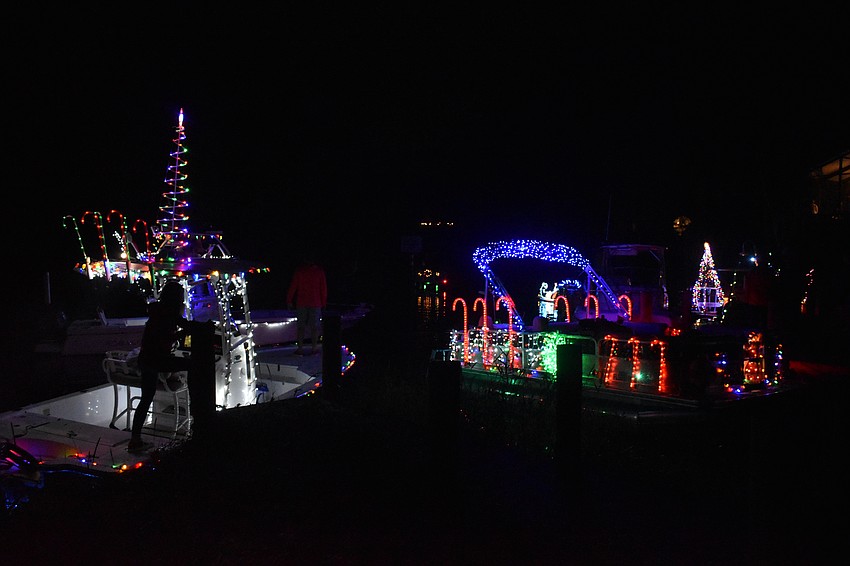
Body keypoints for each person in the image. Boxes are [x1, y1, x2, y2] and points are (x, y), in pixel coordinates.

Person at [128, 280, 204, 452]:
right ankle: (195, 406)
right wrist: (190, 330)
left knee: (146, 398)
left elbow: (163, 335)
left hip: (146, 359)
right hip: (156, 359)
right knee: (192, 365)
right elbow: (176, 331)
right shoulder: (170, 313)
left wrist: (180, 332)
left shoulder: (158, 311)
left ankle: (135, 439)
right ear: (176, 297)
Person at [286, 255, 328, 355]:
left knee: (302, 327)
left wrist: (289, 300)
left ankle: (301, 348)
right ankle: (313, 348)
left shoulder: (300, 271)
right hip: (314, 303)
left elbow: (293, 286)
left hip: (303, 303)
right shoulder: (318, 271)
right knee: (313, 327)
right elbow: (323, 289)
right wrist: (323, 303)